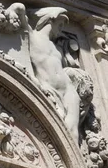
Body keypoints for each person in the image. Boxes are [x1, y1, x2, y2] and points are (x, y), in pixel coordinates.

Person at [24, 7, 83, 144]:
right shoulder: (31, 35)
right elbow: (19, 11)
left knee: (73, 135)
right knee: (62, 135)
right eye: (60, 25)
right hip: (50, 89)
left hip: (69, 91)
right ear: (50, 19)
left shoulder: (55, 46)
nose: (60, 30)